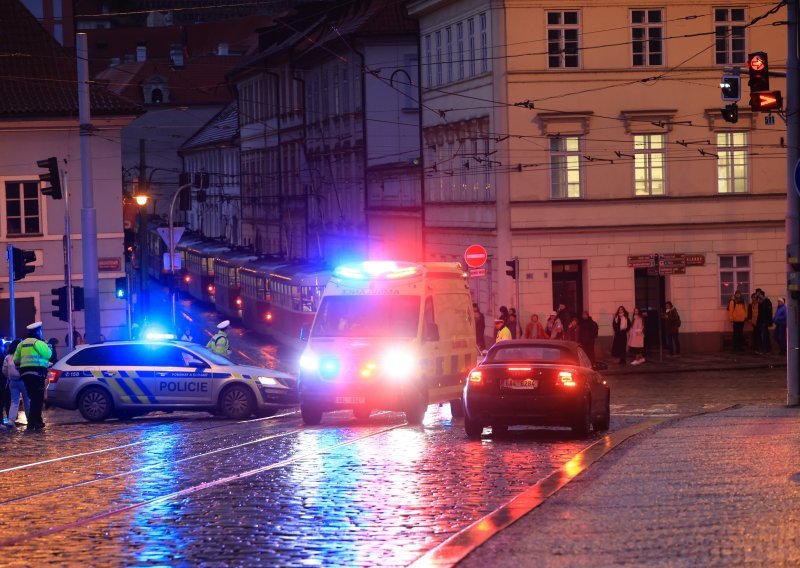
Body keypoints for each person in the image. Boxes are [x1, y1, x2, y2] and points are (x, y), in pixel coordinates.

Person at [14, 322, 52, 430]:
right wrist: (48, 346)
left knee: (33, 398)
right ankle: (32, 423)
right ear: (37, 331)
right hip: (37, 374)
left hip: (25, 375)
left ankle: (37, 421)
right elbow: (48, 354)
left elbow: (16, 359)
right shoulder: (38, 342)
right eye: (40, 331)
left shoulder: (21, 344)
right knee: (38, 399)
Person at [4, 339, 28, 428]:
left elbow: (4, 370)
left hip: (12, 382)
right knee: (27, 400)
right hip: (23, 380)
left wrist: (9, 377)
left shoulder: (8, 357)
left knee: (14, 401)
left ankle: (11, 420)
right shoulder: (23, 355)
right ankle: (29, 418)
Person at [756, 289, 773, 354]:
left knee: (764, 336)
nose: (759, 299)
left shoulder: (767, 302)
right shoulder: (762, 303)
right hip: (761, 321)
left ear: (762, 296)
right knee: (762, 335)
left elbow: (768, 313)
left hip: (764, 322)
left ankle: (765, 349)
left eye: (760, 297)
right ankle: (764, 349)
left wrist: (769, 322)